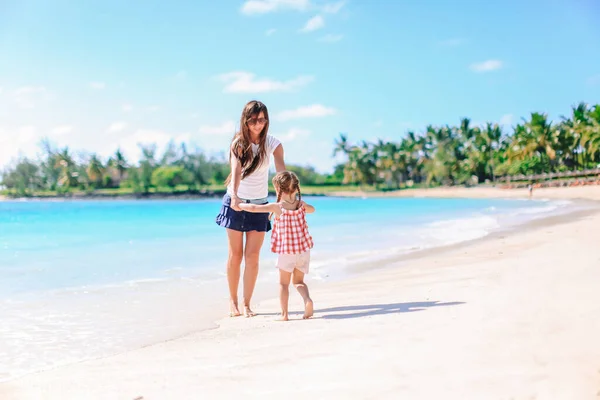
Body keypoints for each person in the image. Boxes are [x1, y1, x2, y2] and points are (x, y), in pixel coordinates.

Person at [215, 100, 285, 318]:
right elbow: (236, 171)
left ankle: (247, 304)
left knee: (252, 257)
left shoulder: (273, 144)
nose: (258, 124)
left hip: (261, 203)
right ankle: (233, 302)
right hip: (236, 201)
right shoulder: (238, 143)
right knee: (235, 255)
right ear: (245, 120)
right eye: (253, 120)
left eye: (262, 120)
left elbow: (281, 175)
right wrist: (234, 195)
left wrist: (281, 202)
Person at [239, 171, 315, 321]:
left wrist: (240, 205)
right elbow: (313, 210)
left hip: (287, 252)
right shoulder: (300, 205)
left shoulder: (277, 207)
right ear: (295, 188)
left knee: (283, 284)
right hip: (303, 251)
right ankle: (307, 300)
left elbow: (254, 208)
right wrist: (305, 205)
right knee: (299, 282)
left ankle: (284, 314)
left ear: (279, 189)